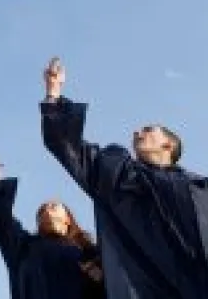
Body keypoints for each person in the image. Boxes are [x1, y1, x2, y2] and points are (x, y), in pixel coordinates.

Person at [40, 57, 208, 299]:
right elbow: (67, 146)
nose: (136, 132)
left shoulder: (198, 187)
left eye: (148, 129)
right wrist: (53, 93)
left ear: (168, 144)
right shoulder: (118, 175)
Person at [0, 161, 104, 299]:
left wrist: (97, 276)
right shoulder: (24, 247)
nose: (47, 210)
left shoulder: (88, 252)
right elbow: (1, 217)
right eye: (42, 211)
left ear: (68, 219)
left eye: (53, 206)